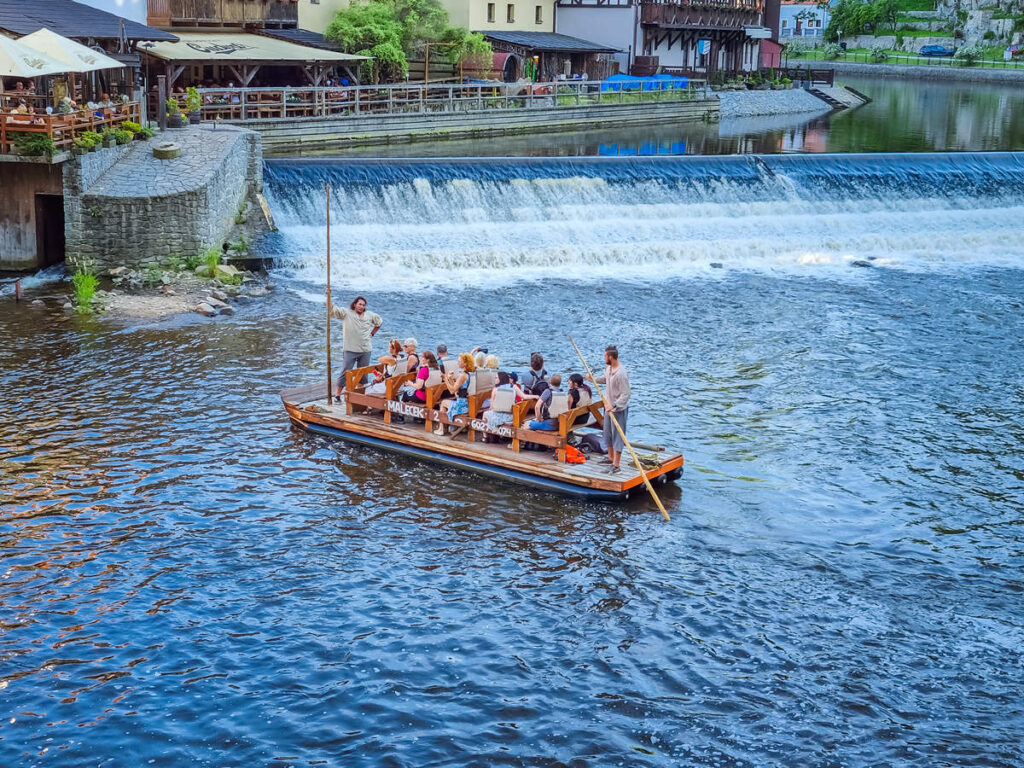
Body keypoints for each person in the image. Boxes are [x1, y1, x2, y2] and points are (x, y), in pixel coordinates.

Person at [327, 293, 383, 396]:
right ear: (354, 304)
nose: (361, 307)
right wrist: (329, 296)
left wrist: (372, 333)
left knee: (363, 373)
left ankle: (360, 394)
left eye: (363, 305)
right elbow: (332, 309)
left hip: (365, 349)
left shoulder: (370, 315)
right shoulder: (346, 313)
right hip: (350, 349)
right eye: (360, 304)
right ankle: (338, 395)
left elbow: (379, 322)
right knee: (345, 372)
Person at [590, 345, 630, 474]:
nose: (604, 358)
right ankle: (610, 458)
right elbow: (605, 380)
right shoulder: (608, 369)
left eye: (605, 356)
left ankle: (616, 465)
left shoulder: (621, 374)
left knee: (617, 435)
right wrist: (592, 379)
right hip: (608, 407)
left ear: (610, 357)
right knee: (607, 432)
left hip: (618, 409)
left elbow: (626, 394)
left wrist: (615, 405)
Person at [435, 352, 474, 436]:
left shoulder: (462, 375)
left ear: (465, 363)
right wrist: (450, 379)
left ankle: (441, 429)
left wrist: (445, 379)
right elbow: (457, 389)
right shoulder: (468, 374)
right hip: (466, 403)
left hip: (461, 406)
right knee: (446, 402)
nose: (458, 363)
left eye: (459, 361)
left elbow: (452, 391)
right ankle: (446, 426)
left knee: (443, 403)